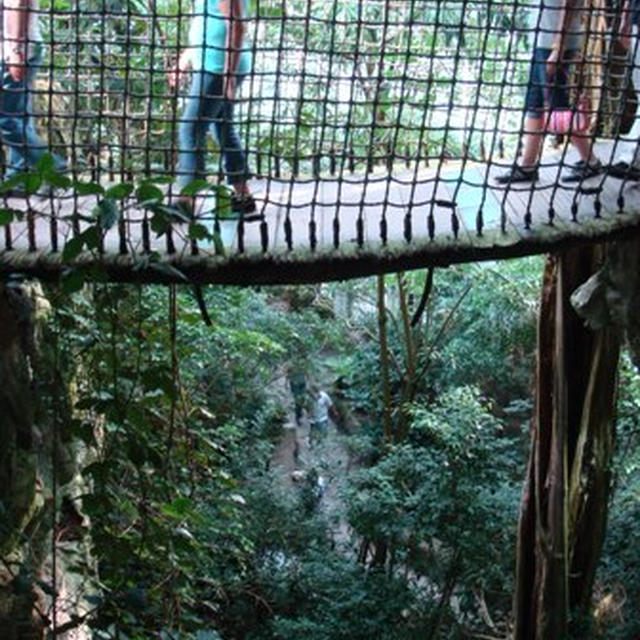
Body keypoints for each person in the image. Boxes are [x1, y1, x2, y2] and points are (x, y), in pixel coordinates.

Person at [495, 0, 603, 185]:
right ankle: (528, 166)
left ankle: (591, 162)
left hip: (553, 45)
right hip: (543, 42)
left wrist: (558, 47)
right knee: (534, 103)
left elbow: (568, 4)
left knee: (560, 107)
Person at [168, 0, 258, 219]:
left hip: (217, 67)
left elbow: (236, 25)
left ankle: (185, 202)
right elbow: (208, 22)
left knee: (191, 129)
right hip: (214, 64)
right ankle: (243, 198)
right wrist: (184, 61)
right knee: (223, 128)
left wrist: (228, 74)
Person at [1, 0, 66, 192]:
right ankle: (18, 180)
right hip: (22, 49)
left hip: (16, 52)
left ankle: (52, 165)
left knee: (6, 121)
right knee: (19, 115)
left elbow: (18, 3)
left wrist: (15, 51)